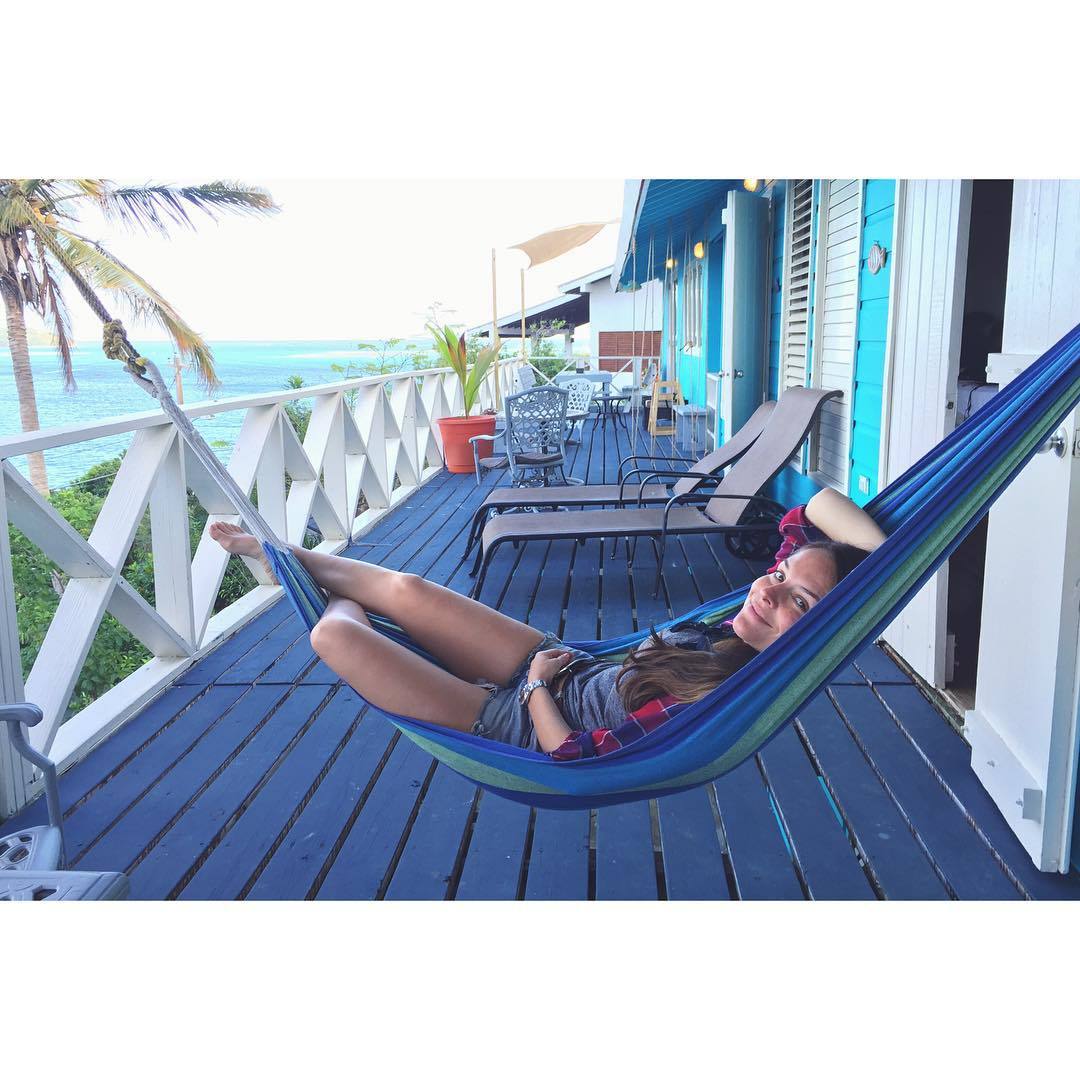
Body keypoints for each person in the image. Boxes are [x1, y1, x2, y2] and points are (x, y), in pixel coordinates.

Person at [209, 486, 885, 760]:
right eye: (780, 574)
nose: (769, 591)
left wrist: (534, 687)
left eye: (800, 604)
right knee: (406, 587)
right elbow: (816, 507)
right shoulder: (740, 621)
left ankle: (316, 589)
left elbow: (573, 756)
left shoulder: (721, 695)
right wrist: (879, 562)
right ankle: (282, 559)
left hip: (514, 719)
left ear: (820, 631)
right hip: (570, 663)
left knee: (333, 634)